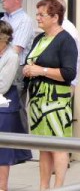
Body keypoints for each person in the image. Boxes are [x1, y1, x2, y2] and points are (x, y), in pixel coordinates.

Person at [22, 0, 77, 190]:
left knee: (58, 146)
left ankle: (59, 187)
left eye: (41, 14)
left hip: (56, 100)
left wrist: (41, 71)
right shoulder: (39, 38)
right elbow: (33, 62)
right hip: (37, 99)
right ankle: (43, 187)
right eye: (37, 14)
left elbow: (69, 73)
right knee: (44, 146)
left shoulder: (65, 40)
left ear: (55, 17)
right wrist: (28, 69)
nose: (37, 18)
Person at [0, 21, 32, 191]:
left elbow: (3, 86)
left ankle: (2, 187)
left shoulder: (11, 56)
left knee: (2, 149)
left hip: (5, 106)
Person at [1, 0, 35, 130]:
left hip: (16, 68)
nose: (2, 0)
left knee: (16, 107)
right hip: (3, 65)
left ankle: (21, 146)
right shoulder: (4, 18)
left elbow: (16, 49)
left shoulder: (24, 20)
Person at [52, 0, 80, 90]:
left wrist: (73, 83)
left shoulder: (68, 29)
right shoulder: (53, 27)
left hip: (64, 82)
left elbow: (73, 59)